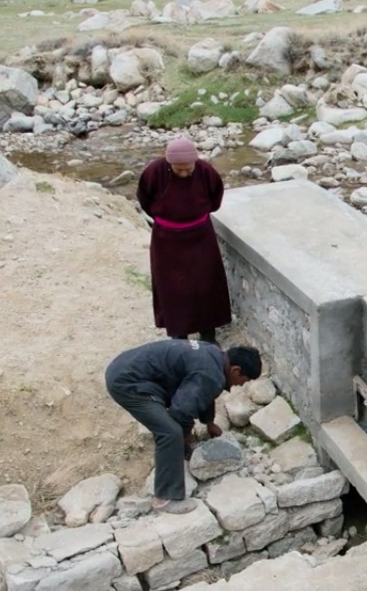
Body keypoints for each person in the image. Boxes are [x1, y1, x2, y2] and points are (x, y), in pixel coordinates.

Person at [105, 339, 262, 514]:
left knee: (175, 427)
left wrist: (209, 423)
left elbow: (204, 391)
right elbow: (180, 412)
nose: (240, 385)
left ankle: (172, 458)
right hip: (128, 383)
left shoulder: (214, 355)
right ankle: (166, 498)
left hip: (127, 365)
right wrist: (185, 440)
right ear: (235, 370)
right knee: (170, 432)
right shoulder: (211, 374)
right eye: (243, 380)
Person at [136, 137, 232, 346]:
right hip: (166, 241)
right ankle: (179, 335)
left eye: (188, 168)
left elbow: (215, 198)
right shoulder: (155, 172)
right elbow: (144, 198)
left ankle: (208, 335)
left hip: (200, 237)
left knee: (206, 284)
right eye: (179, 169)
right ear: (170, 164)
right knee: (172, 287)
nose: (185, 173)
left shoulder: (205, 171)